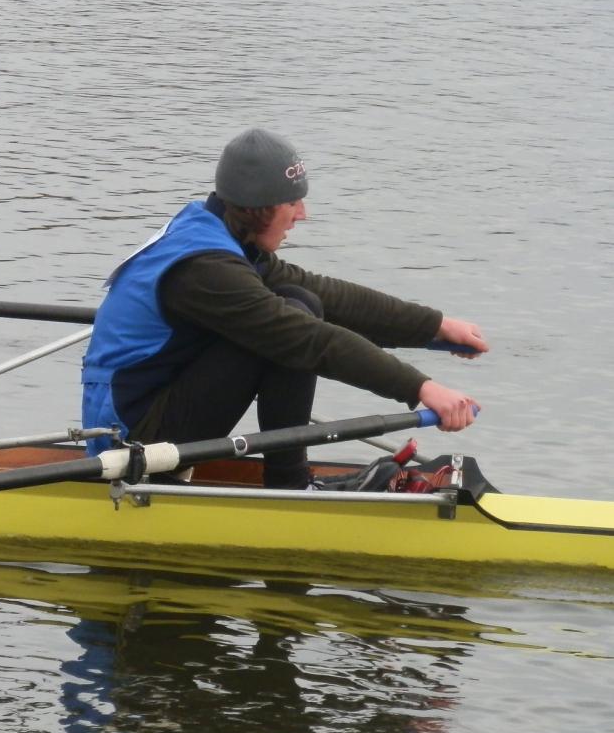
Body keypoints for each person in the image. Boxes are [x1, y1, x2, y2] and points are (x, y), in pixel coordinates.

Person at [81, 128, 486, 489]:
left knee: (302, 301)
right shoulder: (205, 269)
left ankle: (290, 481)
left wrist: (436, 326)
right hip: (130, 441)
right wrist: (423, 389)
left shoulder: (222, 237)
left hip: (154, 407)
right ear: (257, 207)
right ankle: (289, 485)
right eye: (292, 202)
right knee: (293, 326)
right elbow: (309, 339)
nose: (302, 214)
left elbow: (325, 294)